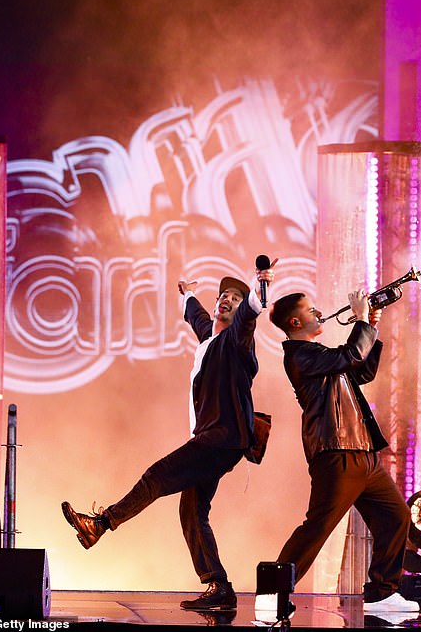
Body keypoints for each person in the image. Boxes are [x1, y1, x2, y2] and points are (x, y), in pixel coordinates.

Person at [61, 260, 276, 610]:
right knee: (192, 511)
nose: (226, 300)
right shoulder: (210, 338)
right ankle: (219, 587)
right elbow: (197, 317)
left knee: (157, 476)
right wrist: (188, 294)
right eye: (222, 295)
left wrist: (259, 286)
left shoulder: (237, 341)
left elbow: (250, 313)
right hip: (215, 439)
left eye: (234, 298)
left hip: (221, 438)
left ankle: (101, 523)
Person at [261, 288, 419, 615]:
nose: (318, 312)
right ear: (295, 321)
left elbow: (361, 371)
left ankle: (381, 593)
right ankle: (271, 596)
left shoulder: (318, 353)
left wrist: (371, 322)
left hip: (362, 452)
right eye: (310, 310)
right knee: (318, 527)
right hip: (336, 453)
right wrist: (362, 320)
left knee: (396, 516)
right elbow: (349, 356)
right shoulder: (299, 354)